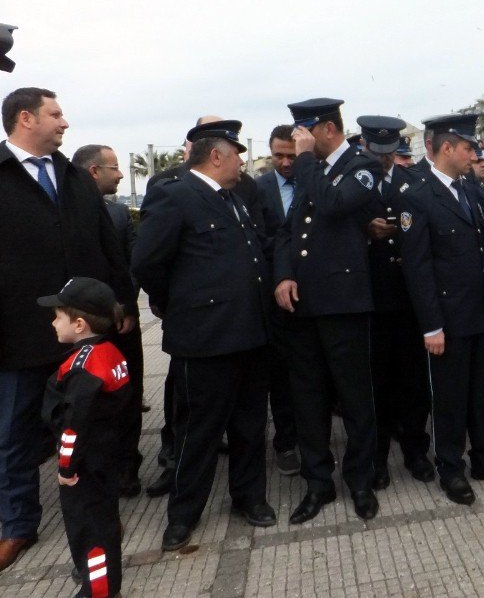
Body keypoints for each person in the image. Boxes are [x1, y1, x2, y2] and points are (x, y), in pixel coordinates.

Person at [0, 88, 135, 573]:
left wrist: (121, 299)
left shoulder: (76, 177)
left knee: (92, 431)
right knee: (14, 434)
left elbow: (107, 244)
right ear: (25, 118)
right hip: (16, 336)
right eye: (55, 114)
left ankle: (98, 518)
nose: (65, 123)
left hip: (84, 335)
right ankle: (16, 524)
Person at [132, 119, 276, 551]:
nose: (242, 162)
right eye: (237, 154)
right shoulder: (176, 196)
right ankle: (183, 514)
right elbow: (146, 263)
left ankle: (249, 497)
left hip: (251, 332)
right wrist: (176, 302)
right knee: (198, 430)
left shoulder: (236, 199)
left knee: (251, 425)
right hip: (205, 337)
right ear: (217, 156)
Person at [399, 113, 484, 505]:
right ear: (447, 147)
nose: (475, 153)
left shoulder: (469, 190)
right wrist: (431, 327)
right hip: (447, 321)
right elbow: (418, 270)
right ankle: (450, 468)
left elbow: (481, 251)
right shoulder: (416, 196)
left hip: (479, 315)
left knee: (482, 394)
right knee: (450, 400)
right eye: (470, 147)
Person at [272, 98, 382, 522]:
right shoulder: (311, 172)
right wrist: (283, 275)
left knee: (355, 397)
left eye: (304, 132)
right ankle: (318, 483)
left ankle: (360, 479)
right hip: (303, 308)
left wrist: (303, 161)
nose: (298, 140)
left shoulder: (362, 167)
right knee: (308, 399)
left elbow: (334, 205)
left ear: (327, 130)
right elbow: (288, 231)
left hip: (344, 304)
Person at [39, 278, 131, 598]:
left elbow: (74, 424)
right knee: (103, 526)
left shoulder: (84, 365)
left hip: (84, 468)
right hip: (105, 458)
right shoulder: (111, 353)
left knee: (89, 534)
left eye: (58, 316)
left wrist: (66, 468)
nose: (53, 323)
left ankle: (100, 591)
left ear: (79, 325)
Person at [358, 115, 435, 487]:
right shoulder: (354, 184)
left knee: (414, 383)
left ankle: (416, 450)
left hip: (408, 301)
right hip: (371, 300)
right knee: (377, 386)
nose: (383, 159)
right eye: (377, 152)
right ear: (364, 146)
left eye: (389, 152)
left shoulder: (412, 182)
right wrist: (364, 233)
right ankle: (377, 457)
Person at [71, 144, 145, 497]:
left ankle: (127, 467)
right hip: (79, 331)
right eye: (113, 168)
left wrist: (125, 306)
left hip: (122, 325)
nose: (120, 174)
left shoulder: (118, 215)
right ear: (92, 172)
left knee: (129, 396)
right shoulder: (63, 213)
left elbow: (133, 264)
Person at [254, 125, 301, 476]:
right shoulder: (258, 189)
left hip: (319, 294)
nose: (285, 162)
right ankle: (286, 440)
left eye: (292, 156)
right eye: (278, 156)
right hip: (275, 298)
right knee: (282, 375)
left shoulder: (318, 184)